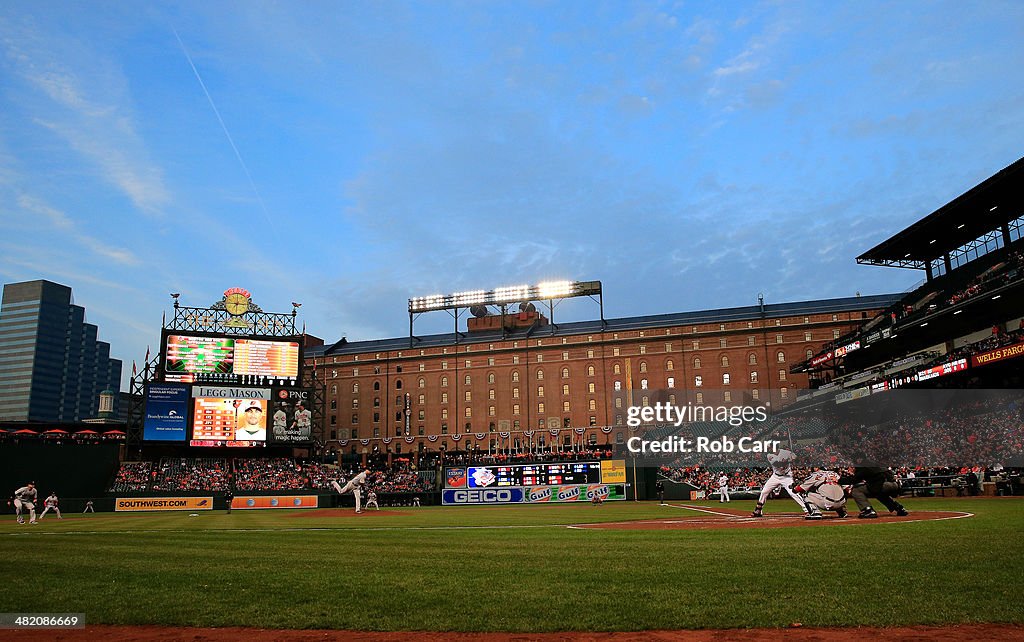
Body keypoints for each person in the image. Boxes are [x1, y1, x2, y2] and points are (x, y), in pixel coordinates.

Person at [750, 449, 808, 517]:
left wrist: (795, 458)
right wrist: (789, 460)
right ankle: (758, 510)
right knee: (764, 492)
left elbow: (798, 461)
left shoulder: (786, 453)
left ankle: (807, 509)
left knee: (793, 492)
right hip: (775, 477)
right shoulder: (769, 455)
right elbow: (778, 464)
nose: (769, 449)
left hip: (787, 477)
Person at [838, 466, 908, 518]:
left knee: (856, 490)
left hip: (884, 484)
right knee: (878, 493)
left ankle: (868, 510)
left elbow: (854, 480)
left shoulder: (862, 467)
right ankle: (899, 508)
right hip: (894, 484)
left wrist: (838, 480)